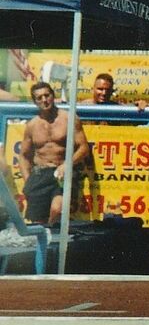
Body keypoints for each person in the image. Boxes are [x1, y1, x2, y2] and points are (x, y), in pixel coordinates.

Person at [17, 81, 91, 227]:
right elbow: (24, 156)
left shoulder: (69, 119)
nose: (44, 100)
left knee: (57, 208)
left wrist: (67, 165)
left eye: (47, 95)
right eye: (39, 98)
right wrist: (28, 180)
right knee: (37, 222)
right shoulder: (32, 125)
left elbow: (83, 148)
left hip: (61, 173)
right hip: (40, 174)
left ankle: (50, 229)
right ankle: (47, 240)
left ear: (53, 95)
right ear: (35, 101)